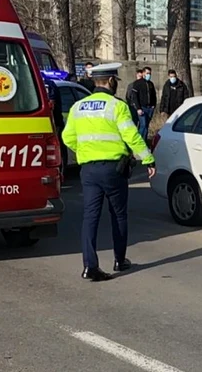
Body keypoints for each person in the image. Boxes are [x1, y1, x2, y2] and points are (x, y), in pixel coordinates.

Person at [61, 62, 156, 282]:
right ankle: (119, 260)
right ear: (112, 82)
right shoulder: (117, 106)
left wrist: (85, 151)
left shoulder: (78, 107)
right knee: (118, 215)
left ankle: (89, 266)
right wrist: (148, 159)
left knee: (90, 217)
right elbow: (131, 136)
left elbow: (67, 138)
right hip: (113, 170)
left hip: (89, 170)